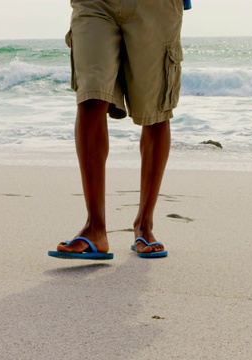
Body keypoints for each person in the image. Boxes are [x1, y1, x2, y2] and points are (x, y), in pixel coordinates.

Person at [48, 0, 184, 260]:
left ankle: (144, 224)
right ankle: (95, 228)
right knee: (90, 97)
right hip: (95, 4)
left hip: (156, 7)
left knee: (154, 112)